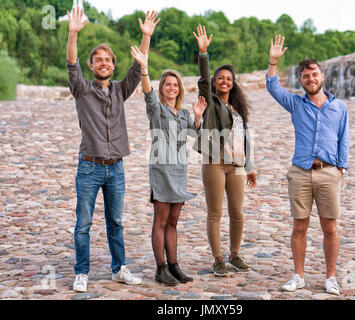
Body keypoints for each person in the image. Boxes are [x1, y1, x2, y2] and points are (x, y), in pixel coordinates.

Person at [66, 7, 160, 292]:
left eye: (108, 60)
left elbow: (138, 66)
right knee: (83, 224)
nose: (103, 63)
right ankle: (81, 272)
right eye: (98, 60)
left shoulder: (120, 90)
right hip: (89, 167)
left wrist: (145, 37)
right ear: (92, 66)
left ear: (113, 65)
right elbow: (72, 63)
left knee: (116, 223)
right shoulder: (82, 90)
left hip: (116, 168)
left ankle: (119, 268)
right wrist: (73, 33)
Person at [265, 35, 350, 295]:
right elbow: (272, 87)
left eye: (314, 74)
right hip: (300, 173)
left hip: (328, 173)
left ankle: (331, 277)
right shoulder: (296, 104)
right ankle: (298, 276)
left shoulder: (339, 107)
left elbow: (344, 138)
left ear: (322, 76)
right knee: (299, 226)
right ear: (301, 80)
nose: (310, 79)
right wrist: (273, 62)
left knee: (330, 228)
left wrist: (341, 168)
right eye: (305, 76)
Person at [130, 44, 207, 286]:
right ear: (162, 88)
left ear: (179, 89)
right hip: (161, 169)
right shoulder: (156, 108)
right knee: (161, 220)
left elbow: (194, 136)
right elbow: (147, 91)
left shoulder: (183, 113)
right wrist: (144, 68)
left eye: (175, 85)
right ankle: (160, 268)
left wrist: (197, 118)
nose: (171, 88)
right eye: (167, 84)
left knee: (174, 221)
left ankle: (174, 266)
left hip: (179, 169)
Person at [192, 26, 257, 277]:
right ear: (214, 82)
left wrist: (249, 166)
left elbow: (245, 137)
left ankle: (235, 254)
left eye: (228, 78)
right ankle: (218, 259)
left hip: (237, 165)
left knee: (237, 213)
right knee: (215, 212)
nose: (224, 81)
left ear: (233, 83)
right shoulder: (210, 102)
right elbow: (202, 78)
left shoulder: (238, 107)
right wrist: (203, 53)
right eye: (220, 78)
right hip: (215, 162)